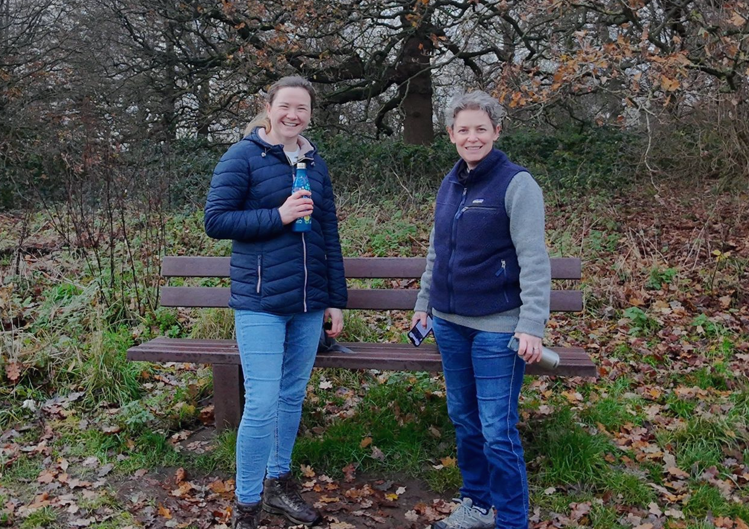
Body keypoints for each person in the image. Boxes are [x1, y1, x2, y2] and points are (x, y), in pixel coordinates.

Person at [204, 76, 347, 529]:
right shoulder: (242, 156)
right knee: (262, 401)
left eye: (301, 108)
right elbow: (216, 220)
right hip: (261, 302)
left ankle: (279, 484)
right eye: (285, 105)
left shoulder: (314, 162)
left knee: (290, 398)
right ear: (269, 107)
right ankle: (245, 507)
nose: (293, 115)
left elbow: (329, 235)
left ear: (309, 114)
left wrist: (334, 300)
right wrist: (279, 215)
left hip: (308, 304)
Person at [412, 90, 550, 529]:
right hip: (450, 324)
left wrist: (531, 324)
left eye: (481, 129)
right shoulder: (450, 183)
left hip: (497, 329)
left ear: (496, 132)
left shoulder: (517, 183)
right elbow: (437, 252)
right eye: (463, 129)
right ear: (451, 134)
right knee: (465, 421)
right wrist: (423, 306)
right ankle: (476, 504)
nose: (472, 137)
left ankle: (511, 520)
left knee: (497, 431)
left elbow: (534, 258)